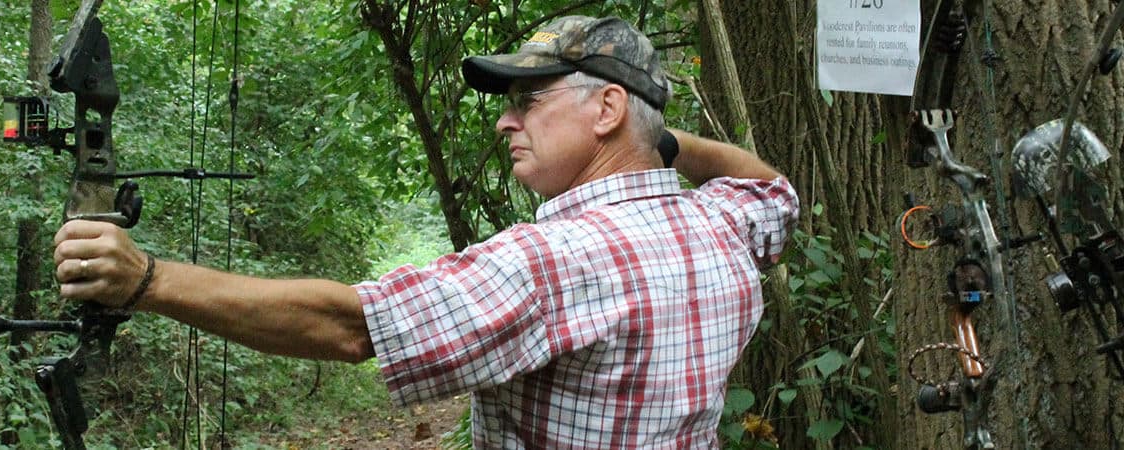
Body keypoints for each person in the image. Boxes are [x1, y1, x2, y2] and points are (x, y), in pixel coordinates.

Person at [53, 15, 798, 449]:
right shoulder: (719, 222)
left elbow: (352, 328)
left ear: (605, 110)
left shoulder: (553, 262)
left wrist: (146, 280)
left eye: (528, 100)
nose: (506, 120)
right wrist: (659, 141)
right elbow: (770, 183)